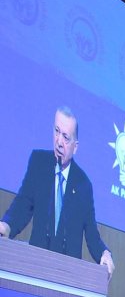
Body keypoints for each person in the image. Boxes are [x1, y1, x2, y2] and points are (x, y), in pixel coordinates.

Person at [0, 106, 114, 278]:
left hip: (67, 274)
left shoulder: (83, 185)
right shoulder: (39, 162)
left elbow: (91, 233)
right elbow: (23, 204)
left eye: (66, 137)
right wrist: (6, 226)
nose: (59, 142)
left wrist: (104, 253)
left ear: (75, 147)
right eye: (56, 132)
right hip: (34, 266)